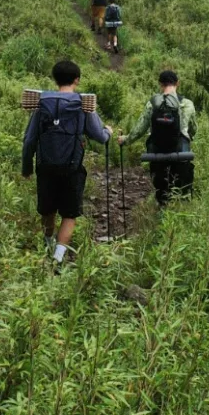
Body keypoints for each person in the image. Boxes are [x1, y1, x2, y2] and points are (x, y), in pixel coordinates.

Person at [22, 59, 112, 271]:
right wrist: (108, 132)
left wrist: (27, 167)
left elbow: (29, 140)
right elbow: (99, 136)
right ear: (77, 80)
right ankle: (58, 259)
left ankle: (47, 245)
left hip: (45, 167)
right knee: (69, 214)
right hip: (72, 168)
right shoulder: (83, 104)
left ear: (54, 79)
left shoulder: (41, 102)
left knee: (47, 209)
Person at [120, 69, 197, 207]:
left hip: (157, 148)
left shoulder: (153, 104)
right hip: (180, 148)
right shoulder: (188, 104)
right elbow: (193, 129)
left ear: (160, 84)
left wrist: (125, 140)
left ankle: (162, 206)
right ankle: (182, 206)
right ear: (177, 83)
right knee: (182, 183)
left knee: (161, 185)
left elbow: (140, 129)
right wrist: (189, 135)